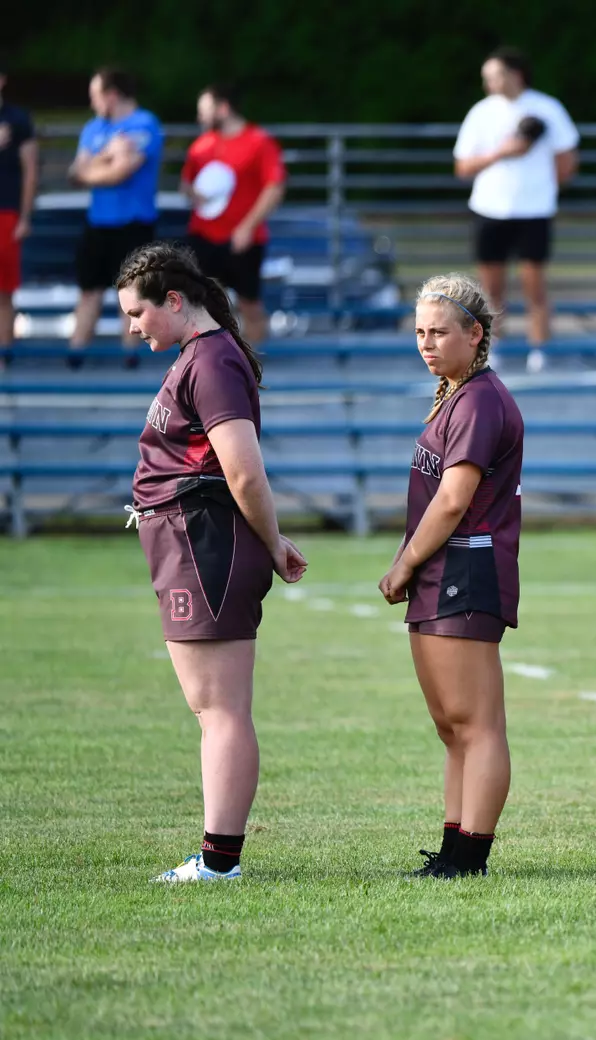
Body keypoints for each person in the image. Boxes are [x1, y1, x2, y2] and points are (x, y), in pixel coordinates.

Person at [117, 242, 307, 882]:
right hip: (191, 542)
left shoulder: (214, 358)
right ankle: (216, 856)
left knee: (220, 709)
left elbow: (244, 475)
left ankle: (220, 861)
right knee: (212, 708)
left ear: (174, 300)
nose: (132, 327)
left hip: (207, 545)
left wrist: (274, 545)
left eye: (137, 313)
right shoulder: (199, 355)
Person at [378, 274, 524, 879]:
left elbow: (453, 499)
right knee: (450, 724)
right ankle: (454, 847)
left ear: (475, 334)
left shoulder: (481, 399)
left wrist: (405, 561)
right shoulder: (455, 394)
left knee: (476, 722)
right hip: (444, 569)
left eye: (440, 331)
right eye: (419, 332)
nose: (427, 342)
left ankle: (470, 855)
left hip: (465, 563)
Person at [453, 47, 579, 372]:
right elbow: (463, 166)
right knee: (491, 288)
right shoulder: (481, 112)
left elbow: (567, 161)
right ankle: (494, 347)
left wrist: (540, 188)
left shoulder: (547, 107)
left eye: (495, 76)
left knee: (534, 284)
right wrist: (503, 153)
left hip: (534, 211)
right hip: (489, 209)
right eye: (487, 78)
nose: (490, 84)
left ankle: (540, 349)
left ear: (516, 74)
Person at [69, 68, 163, 369]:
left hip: (133, 224)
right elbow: (73, 175)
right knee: (88, 291)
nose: (92, 104)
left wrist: (93, 167)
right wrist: (107, 155)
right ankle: (76, 356)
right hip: (98, 222)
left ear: (112, 95)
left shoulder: (144, 124)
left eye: (95, 96)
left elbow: (120, 173)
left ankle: (129, 357)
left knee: (133, 294)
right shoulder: (93, 128)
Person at [182, 84, 286, 347]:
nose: (200, 118)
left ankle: (253, 369)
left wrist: (248, 227)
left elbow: (275, 187)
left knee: (249, 303)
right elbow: (186, 184)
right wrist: (193, 193)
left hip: (243, 239)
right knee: (200, 304)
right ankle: (207, 366)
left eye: (204, 111)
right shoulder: (201, 145)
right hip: (203, 236)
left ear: (223, 108)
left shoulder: (258, 141)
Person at [0, 57, 37, 367]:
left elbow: (30, 170)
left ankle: (4, 357)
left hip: (6, 213)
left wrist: (25, 217)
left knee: (4, 291)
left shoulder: (18, 119)